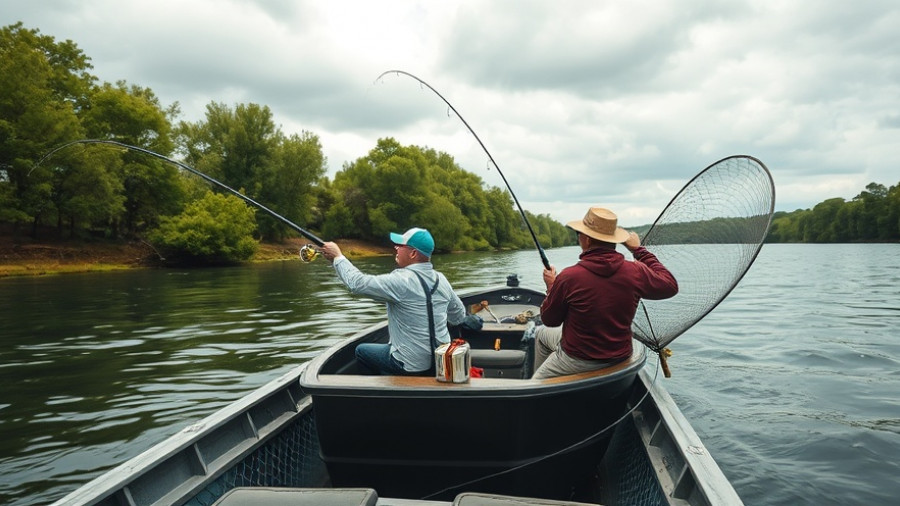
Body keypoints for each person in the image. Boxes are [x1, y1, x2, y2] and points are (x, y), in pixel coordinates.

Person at [530, 206, 678, 379]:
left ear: (587, 240)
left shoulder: (569, 277)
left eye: (580, 234)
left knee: (536, 368)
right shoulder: (636, 271)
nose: (579, 238)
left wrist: (552, 287)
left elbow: (550, 320)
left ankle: (542, 388)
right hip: (620, 357)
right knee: (542, 335)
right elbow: (670, 285)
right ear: (614, 240)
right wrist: (639, 250)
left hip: (577, 360)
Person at [318, 227, 467, 375]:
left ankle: (377, 397)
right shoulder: (442, 280)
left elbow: (357, 284)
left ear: (413, 253)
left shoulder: (401, 280)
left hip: (410, 366)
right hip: (440, 364)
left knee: (361, 351)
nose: (396, 247)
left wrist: (338, 257)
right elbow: (459, 316)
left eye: (400, 245)